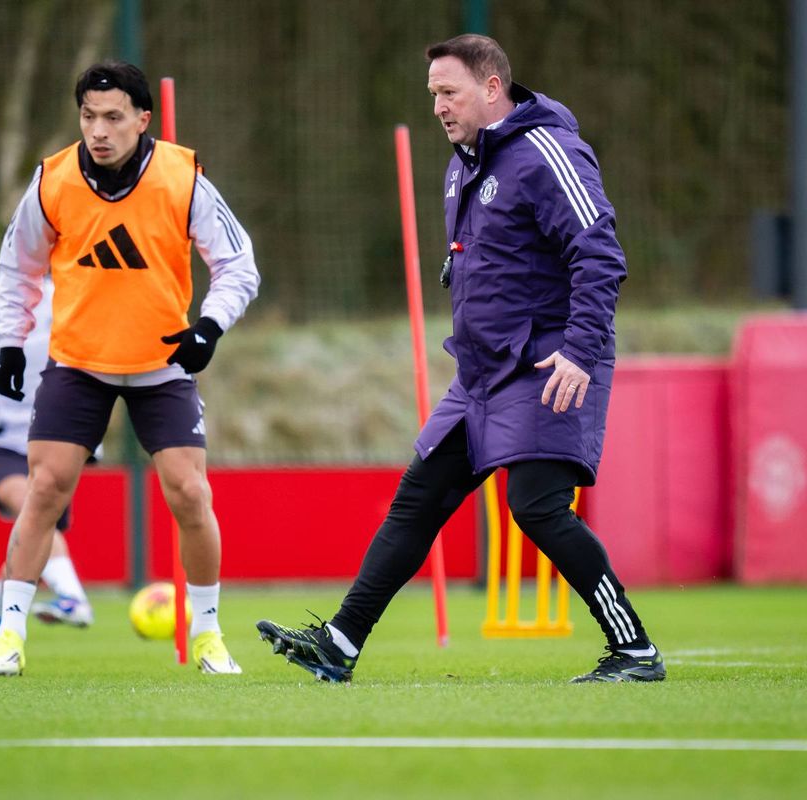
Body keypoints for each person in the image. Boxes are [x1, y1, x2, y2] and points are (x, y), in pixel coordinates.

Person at [257, 34, 664, 684]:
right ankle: (339, 643)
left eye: (449, 92)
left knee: (535, 506)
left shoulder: (545, 151)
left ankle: (635, 649)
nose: (439, 106)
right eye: (433, 95)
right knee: (414, 503)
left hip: (546, 364)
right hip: (477, 379)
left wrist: (581, 353)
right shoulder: (462, 164)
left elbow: (600, 253)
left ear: (492, 87)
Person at [0, 61, 260, 677]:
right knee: (45, 489)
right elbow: (18, 269)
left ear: (142, 118)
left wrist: (208, 328)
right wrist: (10, 343)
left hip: (161, 360)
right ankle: (9, 634)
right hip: (78, 360)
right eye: (88, 117)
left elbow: (240, 266)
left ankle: (210, 633)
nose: (99, 130)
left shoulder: (182, 178)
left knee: (190, 493)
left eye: (112, 117)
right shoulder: (52, 179)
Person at [0, 272, 94, 638]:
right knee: (36, 511)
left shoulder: (67, 301)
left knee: (36, 536)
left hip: (55, 437)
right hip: (1, 443)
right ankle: (73, 598)